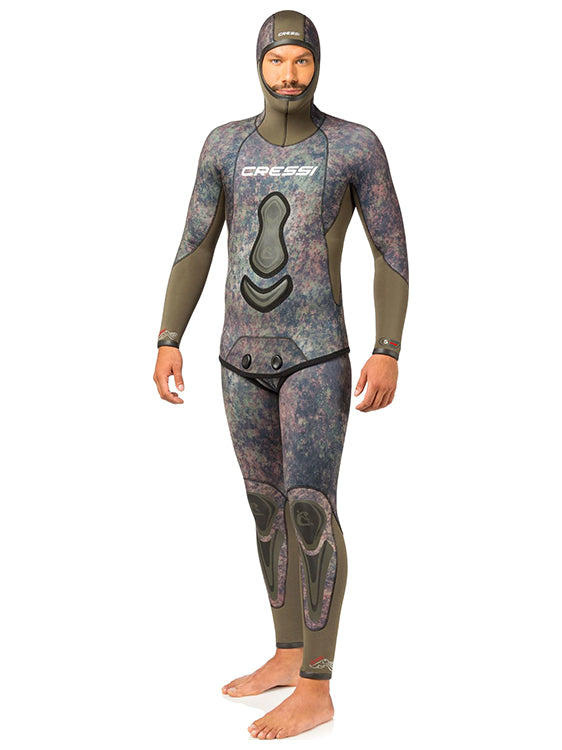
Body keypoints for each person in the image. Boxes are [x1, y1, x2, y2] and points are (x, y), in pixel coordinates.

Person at [153, 9, 409, 740]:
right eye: (276, 61)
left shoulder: (353, 145)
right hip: (237, 358)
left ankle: (317, 686)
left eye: (301, 60)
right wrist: (168, 337)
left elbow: (391, 250)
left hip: (315, 357)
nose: (289, 75)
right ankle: (287, 652)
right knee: (266, 507)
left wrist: (388, 348)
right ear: (258, 65)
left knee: (309, 508)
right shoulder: (224, 144)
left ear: (317, 63)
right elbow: (195, 244)